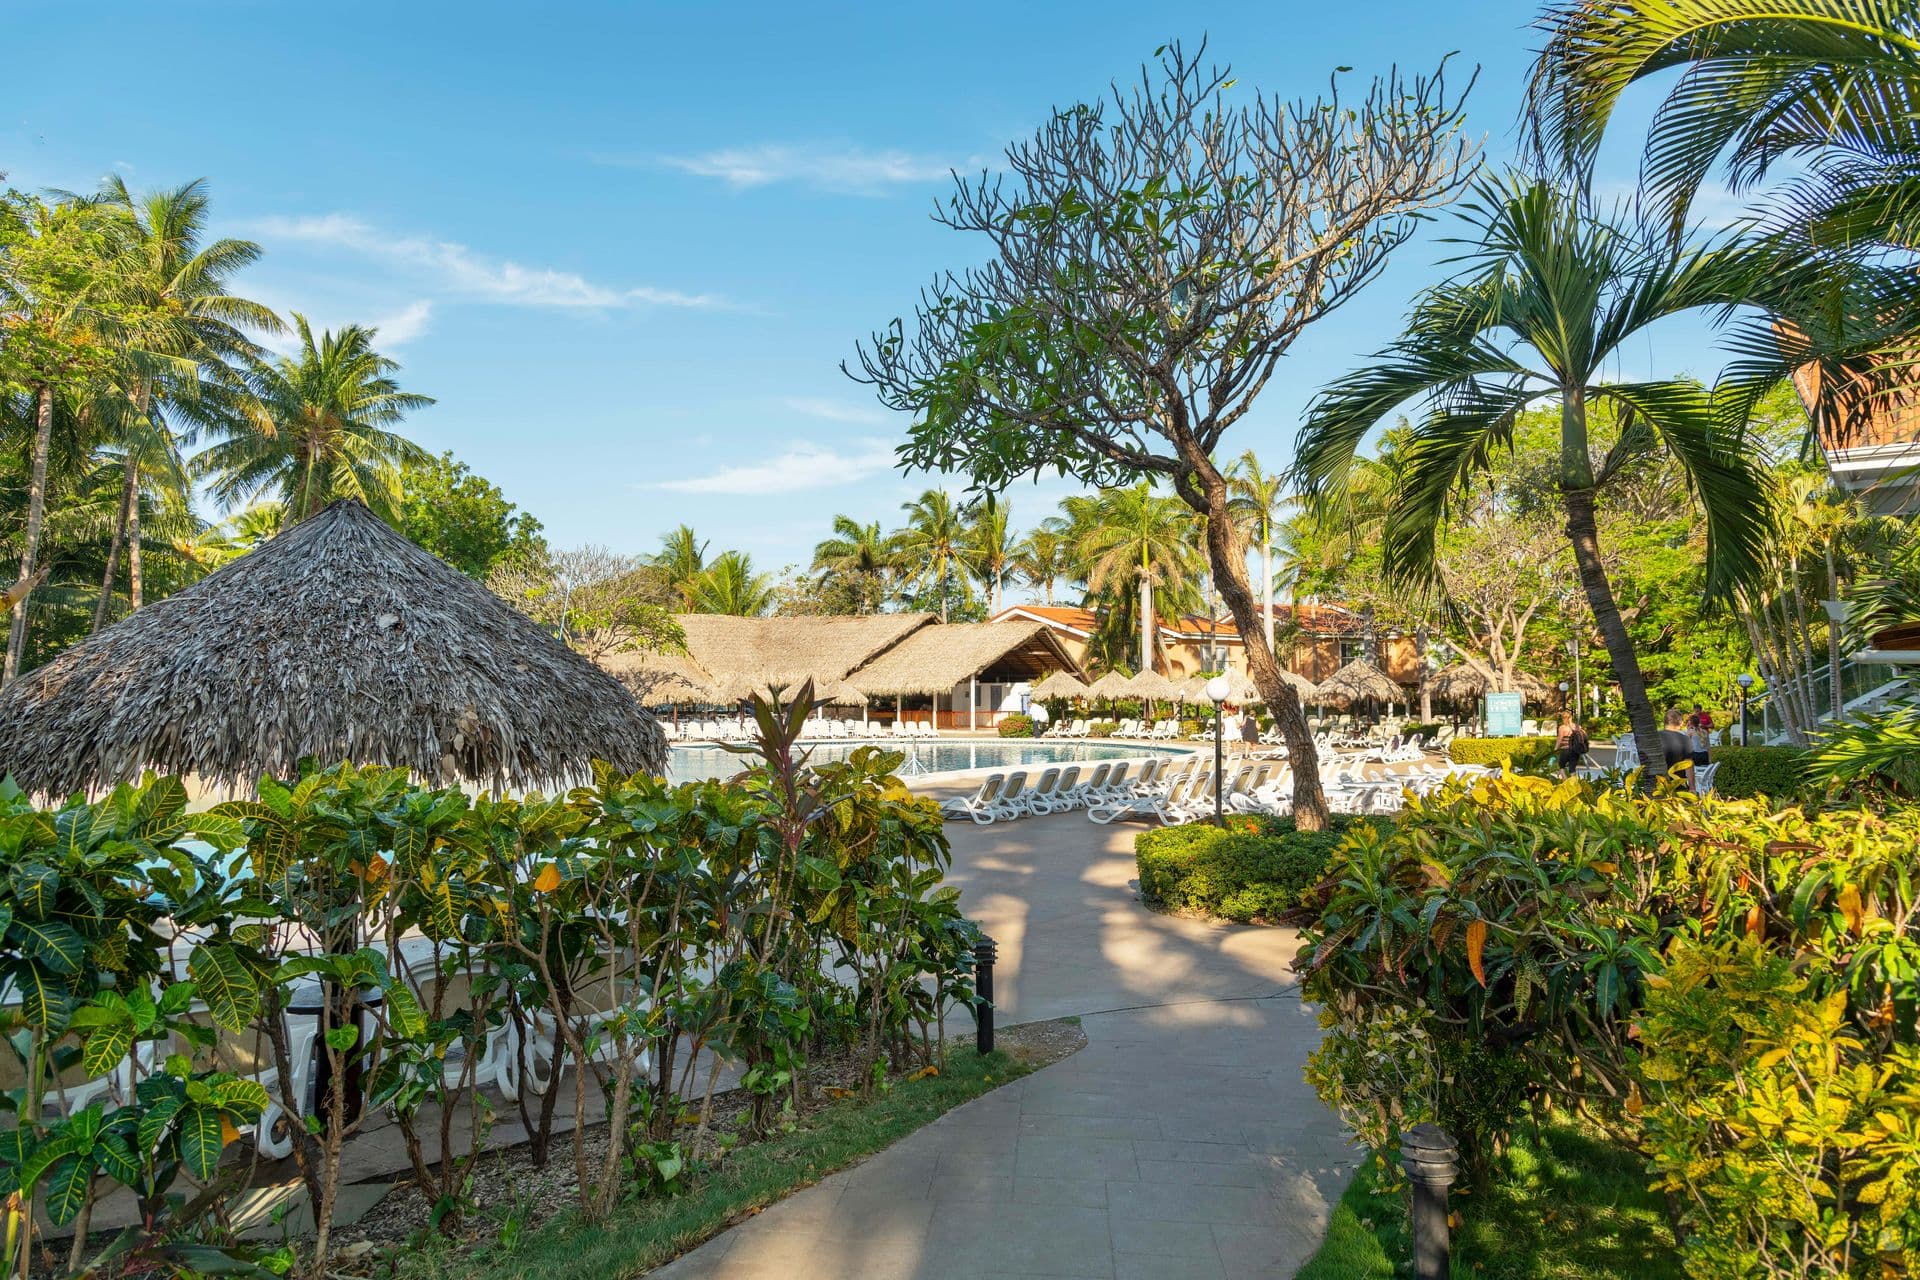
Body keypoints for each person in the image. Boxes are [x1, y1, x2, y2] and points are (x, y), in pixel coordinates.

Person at [1661, 707, 1694, 776]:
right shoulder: (1685, 739)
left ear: (1665, 722)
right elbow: (1688, 766)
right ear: (1681, 723)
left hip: (1657, 781)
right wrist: (1692, 783)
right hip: (1677, 781)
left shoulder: (1653, 738)